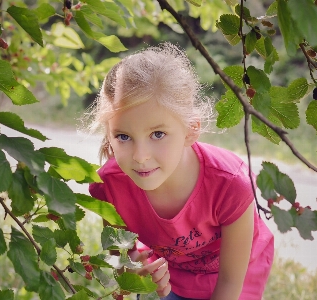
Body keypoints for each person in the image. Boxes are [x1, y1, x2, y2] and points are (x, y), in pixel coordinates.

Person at [88, 43, 274, 300]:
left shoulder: (230, 185)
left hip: (234, 274)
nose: (141, 156)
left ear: (190, 130)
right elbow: (119, 257)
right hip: (170, 273)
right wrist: (133, 269)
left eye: (158, 134)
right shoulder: (112, 186)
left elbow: (231, 282)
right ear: (109, 136)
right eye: (123, 136)